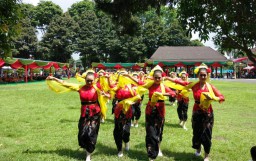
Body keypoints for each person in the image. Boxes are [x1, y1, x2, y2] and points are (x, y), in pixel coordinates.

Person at [46, 70, 110, 161]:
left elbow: (109, 95)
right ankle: (86, 147)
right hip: (84, 113)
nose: (89, 82)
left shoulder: (97, 88)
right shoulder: (80, 87)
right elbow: (65, 84)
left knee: (91, 133)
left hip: (95, 113)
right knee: (82, 133)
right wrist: (54, 78)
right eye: (88, 80)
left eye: (91, 80)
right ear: (85, 79)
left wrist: (105, 95)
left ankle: (88, 155)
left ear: (94, 80)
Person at [166, 64, 225, 161]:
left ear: (207, 75)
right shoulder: (194, 85)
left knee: (207, 134)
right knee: (196, 132)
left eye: (204, 75)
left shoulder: (210, 87)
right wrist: (168, 78)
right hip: (197, 112)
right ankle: (198, 149)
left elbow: (222, 97)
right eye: (201, 75)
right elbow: (180, 82)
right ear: (198, 75)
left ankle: (206, 155)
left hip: (208, 113)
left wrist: (213, 98)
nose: (203, 77)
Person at [127, 65, 176, 161]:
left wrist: (162, 94)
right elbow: (139, 83)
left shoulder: (163, 86)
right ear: (153, 77)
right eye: (156, 77)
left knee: (159, 130)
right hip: (150, 109)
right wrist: (129, 76)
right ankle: (151, 152)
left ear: (162, 77)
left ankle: (158, 148)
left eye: (159, 77)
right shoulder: (150, 85)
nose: (157, 79)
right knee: (150, 131)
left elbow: (173, 94)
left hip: (160, 110)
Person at [109, 69, 142, 157]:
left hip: (128, 110)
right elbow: (110, 87)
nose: (123, 76)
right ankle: (119, 149)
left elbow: (138, 93)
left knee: (126, 131)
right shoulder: (117, 86)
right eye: (121, 75)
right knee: (118, 130)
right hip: (118, 111)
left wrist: (131, 101)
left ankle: (126, 141)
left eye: (124, 75)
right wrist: (108, 78)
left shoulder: (131, 87)